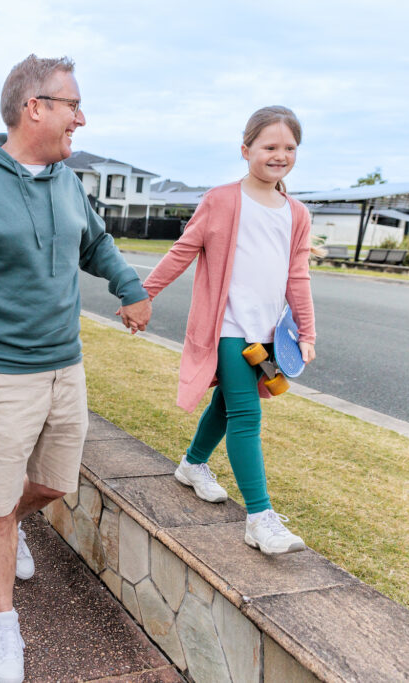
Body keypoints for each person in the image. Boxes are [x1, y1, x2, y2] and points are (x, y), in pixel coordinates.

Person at [0, 55, 151, 683]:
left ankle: (13, 522)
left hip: (64, 370)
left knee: (54, 484)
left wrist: (128, 284)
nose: (81, 116)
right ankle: (3, 621)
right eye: (72, 104)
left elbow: (94, 242)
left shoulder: (68, 183)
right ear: (34, 107)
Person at [142, 105, 316, 556]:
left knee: (225, 404)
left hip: (267, 335)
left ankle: (192, 464)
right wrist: (143, 294)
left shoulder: (296, 213)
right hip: (228, 328)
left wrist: (307, 333)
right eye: (270, 146)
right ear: (246, 150)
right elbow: (183, 251)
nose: (280, 155)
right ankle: (260, 519)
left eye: (289, 148)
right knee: (246, 416)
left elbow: (298, 276)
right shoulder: (221, 200)